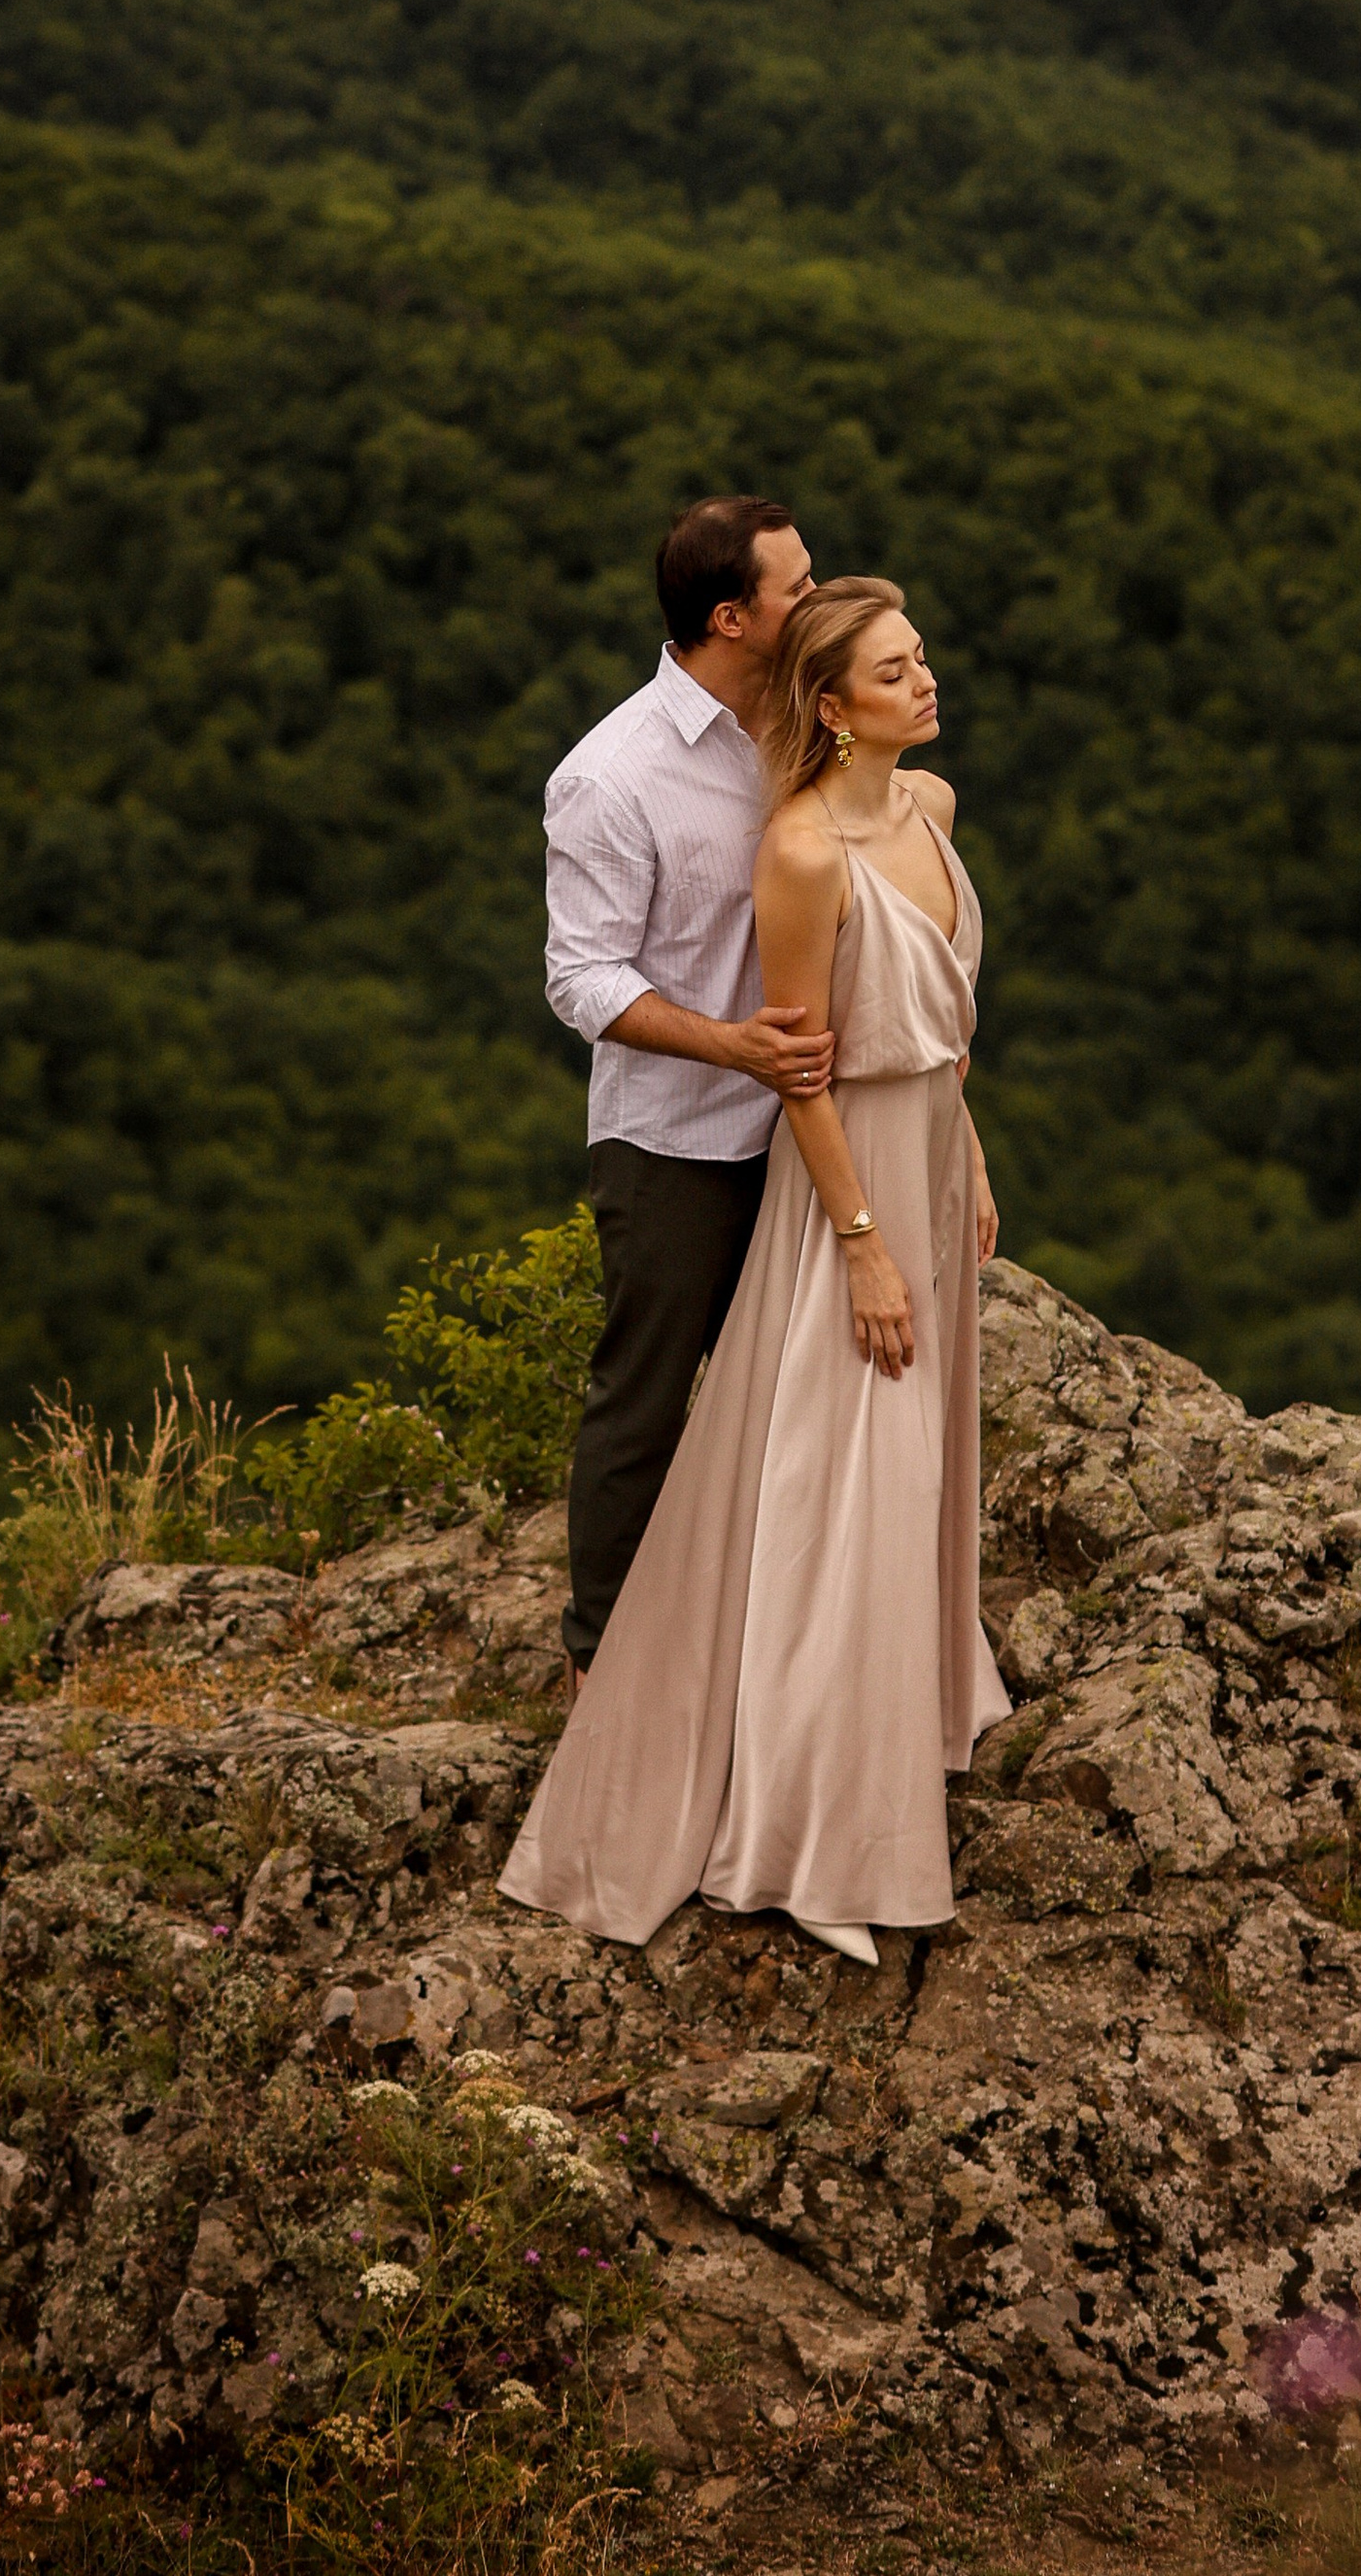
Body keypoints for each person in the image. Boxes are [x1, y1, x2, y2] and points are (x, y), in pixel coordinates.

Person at [502, 576, 1008, 1961]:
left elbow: (941, 1035)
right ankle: (807, 1829)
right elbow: (802, 1070)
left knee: (907, 1473)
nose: (928, 682)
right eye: (898, 671)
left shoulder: (936, 809)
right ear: (833, 710)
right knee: (835, 1483)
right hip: (846, 1183)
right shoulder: (796, 854)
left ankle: (908, 1714)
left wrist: (966, 1159)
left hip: (927, 1152)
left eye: (924, 658)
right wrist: (861, 1251)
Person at [542, 495, 834, 1691]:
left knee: (797, 1397)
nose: (818, 599)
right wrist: (732, 1048)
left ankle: (772, 1648)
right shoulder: (613, 776)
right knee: (647, 1404)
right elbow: (580, 979)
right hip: (674, 1140)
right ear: (731, 618)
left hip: (810, 1126)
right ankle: (602, 1671)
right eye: (798, 590)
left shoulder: (813, 725)